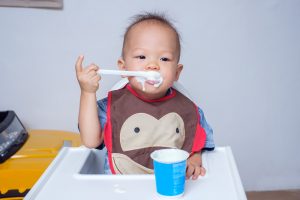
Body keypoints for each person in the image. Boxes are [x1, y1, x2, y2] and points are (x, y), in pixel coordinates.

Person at [75, 12, 214, 180]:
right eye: (141, 56)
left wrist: (194, 157)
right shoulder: (112, 107)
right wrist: (88, 92)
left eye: (164, 58)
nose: (153, 65)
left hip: (169, 188)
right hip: (121, 189)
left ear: (177, 72)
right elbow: (90, 141)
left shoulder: (190, 110)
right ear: (123, 67)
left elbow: (197, 143)